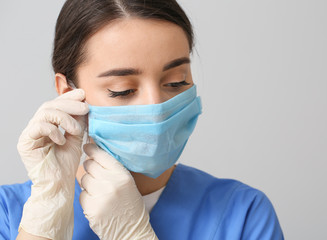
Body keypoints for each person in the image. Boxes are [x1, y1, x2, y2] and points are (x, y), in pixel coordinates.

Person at [0, 0, 284, 239]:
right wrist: (46, 213)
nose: (156, 106)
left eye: (176, 82)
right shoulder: (8, 213)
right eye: (122, 90)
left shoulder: (243, 214)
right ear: (69, 93)